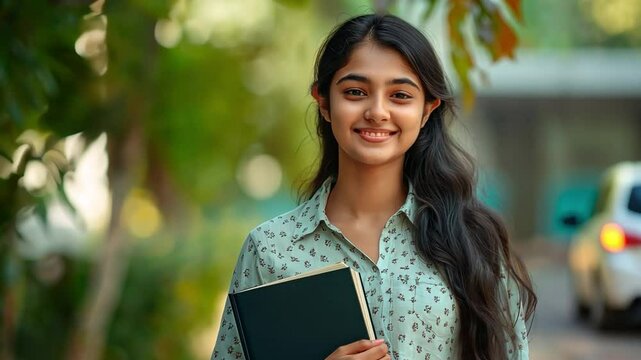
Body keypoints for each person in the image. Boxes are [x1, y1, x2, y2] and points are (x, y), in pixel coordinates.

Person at [211, 13, 536, 360]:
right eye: (355, 92)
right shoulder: (270, 249)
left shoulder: (474, 240)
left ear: (427, 111)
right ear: (323, 102)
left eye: (399, 95)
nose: (377, 111)